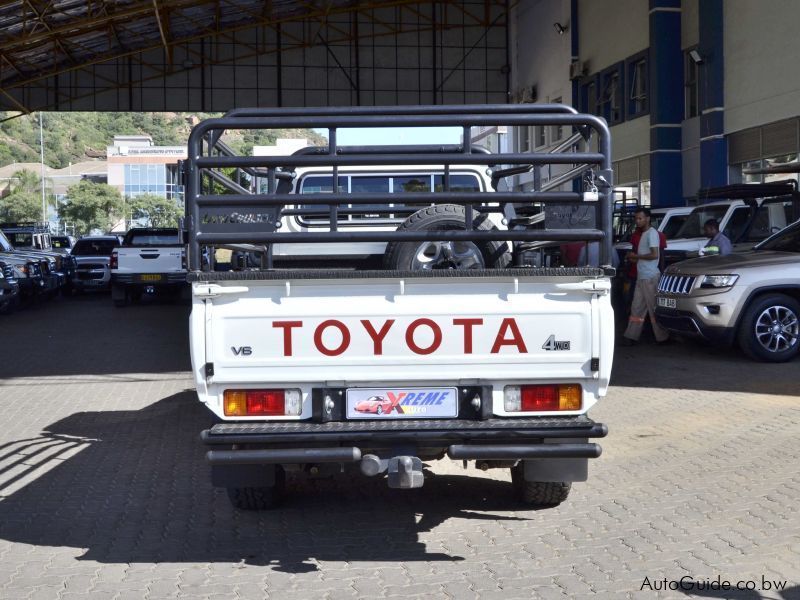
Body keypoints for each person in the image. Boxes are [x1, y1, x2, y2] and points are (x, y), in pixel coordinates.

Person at [622, 207, 669, 345]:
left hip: (649, 278)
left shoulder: (652, 234)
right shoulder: (643, 234)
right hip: (642, 277)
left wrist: (636, 256)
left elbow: (655, 255)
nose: (637, 221)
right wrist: (633, 258)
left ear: (648, 218)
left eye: (640, 218)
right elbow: (648, 256)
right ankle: (631, 336)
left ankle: (662, 337)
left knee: (652, 308)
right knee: (637, 308)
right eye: (636, 218)